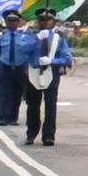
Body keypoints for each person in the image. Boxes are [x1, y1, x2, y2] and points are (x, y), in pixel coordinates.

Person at [15, 13, 66, 147]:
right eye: (41, 19)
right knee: (32, 106)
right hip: (34, 73)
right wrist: (36, 39)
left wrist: (52, 60)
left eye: (48, 19)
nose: (44, 22)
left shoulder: (58, 38)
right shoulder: (31, 36)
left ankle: (48, 136)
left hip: (51, 73)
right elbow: (22, 50)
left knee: (50, 106)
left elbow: (66, 57)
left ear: (53, 21)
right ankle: (31, 133)